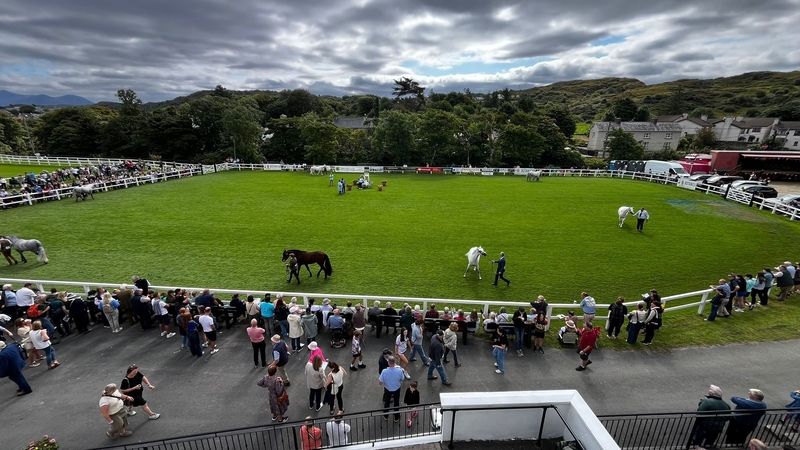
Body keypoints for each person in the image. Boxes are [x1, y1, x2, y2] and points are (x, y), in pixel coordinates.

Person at [379, 355, 405, 422]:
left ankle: (385, 415)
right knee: (396, 402)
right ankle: (396, 417)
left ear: (388, 363)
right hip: (397, 388)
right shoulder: (399, 370)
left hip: (387, 389)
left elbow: (380, 383)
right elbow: (402, 378)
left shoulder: (384, 371)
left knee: (387, 402)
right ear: (394, 362)